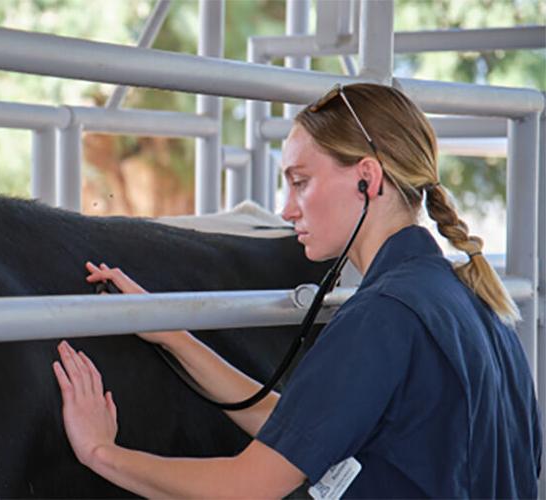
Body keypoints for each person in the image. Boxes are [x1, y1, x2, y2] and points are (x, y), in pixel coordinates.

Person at [52, 83, 541, 498]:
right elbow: (299, 429)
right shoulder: (475, 304)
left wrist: (102, 453)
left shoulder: (383, 316)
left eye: (300, 182)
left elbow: (249, 486)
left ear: (367, 179)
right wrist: (172, 334)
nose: (287, 210)